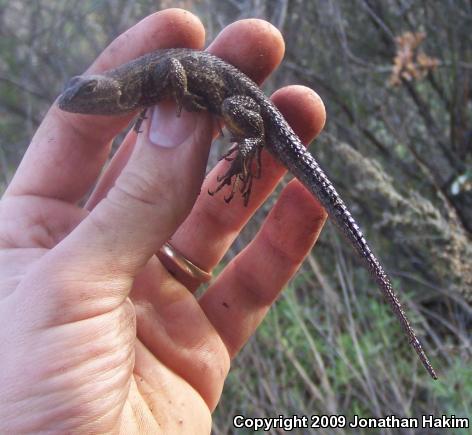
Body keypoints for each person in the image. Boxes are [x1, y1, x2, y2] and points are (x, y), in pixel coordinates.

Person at [0, 8, 326, 434]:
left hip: (243, 103)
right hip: (229, 98)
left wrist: (200, 113)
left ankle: (251, 144)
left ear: (104, 94)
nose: (79, 104)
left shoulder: (130, 85)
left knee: (237, 107)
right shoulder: (128, 88)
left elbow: (174, 67)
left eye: (86, 98)